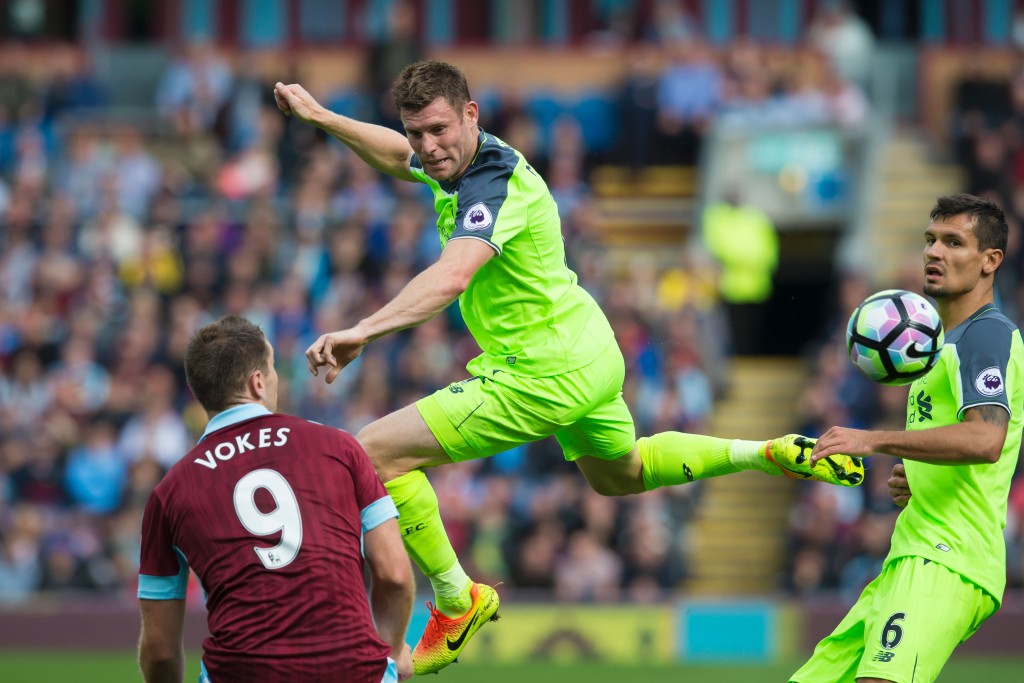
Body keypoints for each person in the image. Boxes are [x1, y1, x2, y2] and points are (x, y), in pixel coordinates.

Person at [272, 60, 864, 675]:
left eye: (439, 130)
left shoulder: (492, 187)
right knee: (621, 475)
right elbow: (398, 158)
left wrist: (363, 329)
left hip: (542, 372)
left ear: (472, 115)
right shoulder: (461, 159)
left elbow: (451, 276)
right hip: (590, 353)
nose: (428, 147)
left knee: (372, 453)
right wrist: (322, 117)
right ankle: (763, 451)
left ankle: (455, 597)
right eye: (418, 132)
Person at [791, 193, 1023, 683]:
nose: (934, 253)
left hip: (948, 559)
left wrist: (876, 441)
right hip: (908, 555)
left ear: (990, 261)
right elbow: (962, 447)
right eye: (931, 240)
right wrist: (917, 474)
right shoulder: (938, 347)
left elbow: (985, 440)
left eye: (954, 243)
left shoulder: (987, 335)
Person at [137, 315, 414, 683]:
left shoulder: (170, 492)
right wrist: (393, 651)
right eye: (272, 368)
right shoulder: (339, 447)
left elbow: (159, 652)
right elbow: (394, 574)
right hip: (355, 671)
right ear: (257, 382)